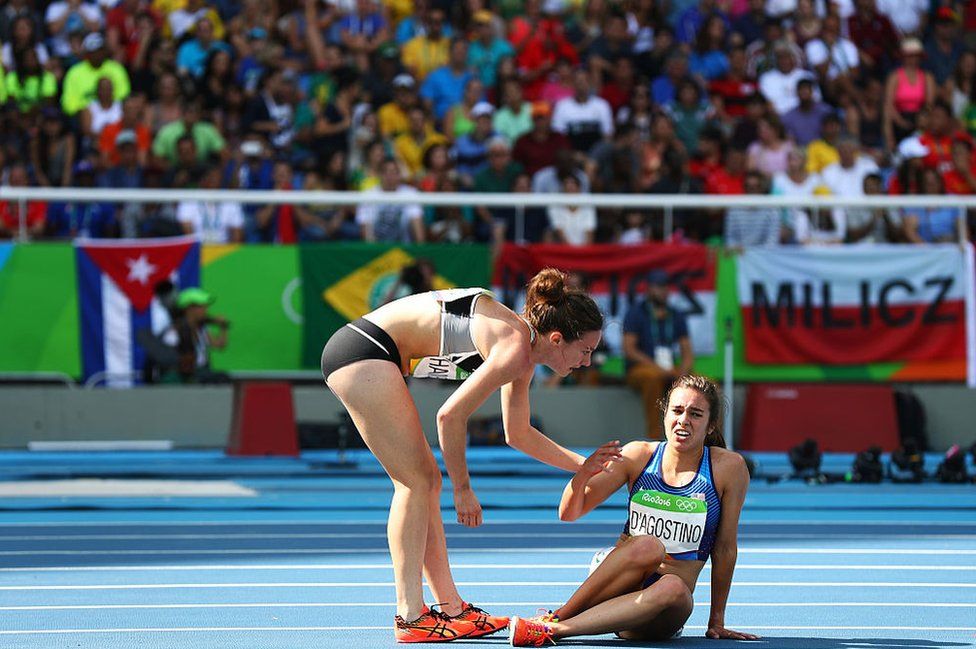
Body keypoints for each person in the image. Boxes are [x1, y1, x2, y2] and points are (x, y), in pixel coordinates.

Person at [320, 268, 609, 642]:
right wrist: (464, 488)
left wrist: (586, 467)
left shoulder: (523, 349)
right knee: (416, 482)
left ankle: (451, 609)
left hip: (368, 351)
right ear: (557, 339)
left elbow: (518, 434)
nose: (586, 362)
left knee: (424, 482)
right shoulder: (514, 347)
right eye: (584, 351)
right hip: (363, 351)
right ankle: (410, 616)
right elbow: (449, 416)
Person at [507, 374, 759, 646]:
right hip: (618, 583)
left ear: (711, 426)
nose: (684, 420)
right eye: (677, 410)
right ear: (664, 414)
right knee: (649, 546)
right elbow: (569, 513)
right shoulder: (638, 455)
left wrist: (716, 622)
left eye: (696, 414)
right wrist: (582, 476)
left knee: (673, 586)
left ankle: (556, 631)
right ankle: (554, 620)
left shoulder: (728, 469)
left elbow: (724, 548)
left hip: (665, 607)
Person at [623, 270, 694, 439]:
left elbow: (687, 352)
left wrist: (682, 374)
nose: (663, 291)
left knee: (704, 386)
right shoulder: (636, 313)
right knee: (653, 378)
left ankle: (708, 441)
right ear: (648, 289)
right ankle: (655, 438)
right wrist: (658, 368)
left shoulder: (676, 314)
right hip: (642, 369)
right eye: (658, 287)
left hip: (670, 370)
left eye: (666, 287)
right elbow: (629, 349)